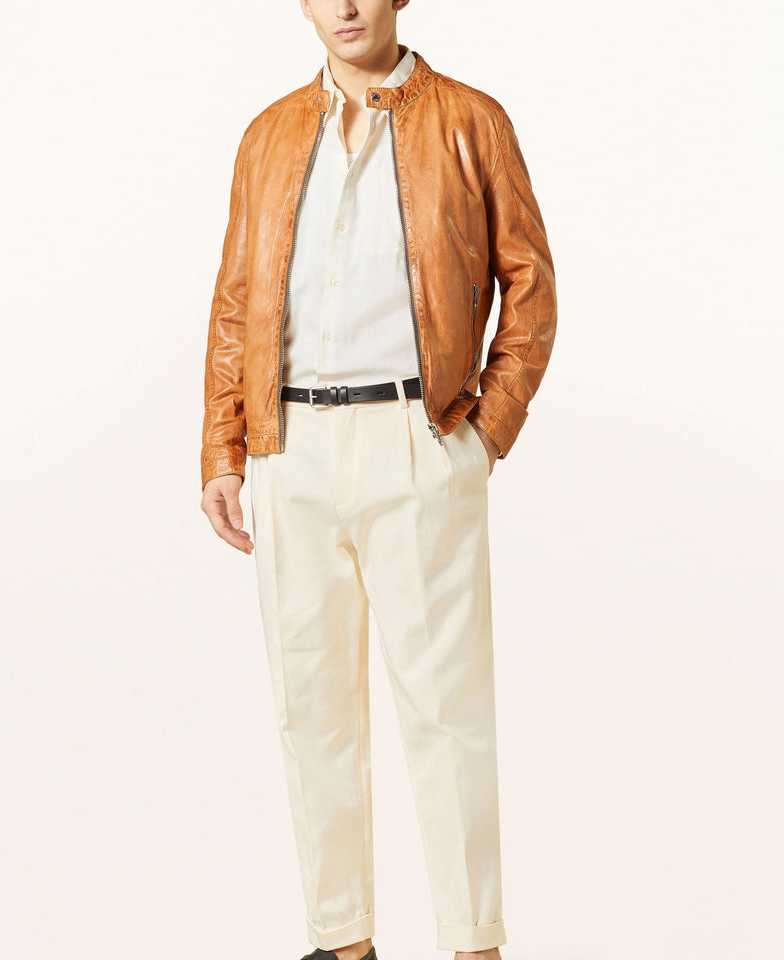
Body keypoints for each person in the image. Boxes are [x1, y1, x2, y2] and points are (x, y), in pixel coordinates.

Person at [199, 3, 557, 960]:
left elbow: (531, 286)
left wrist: (483, 435)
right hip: (290, 449)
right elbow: (235, 301)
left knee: (446, 711)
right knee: (310, 706)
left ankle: (472, 942)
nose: (347, 7)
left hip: (419, 441)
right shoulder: (269, 135)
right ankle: (341, 939)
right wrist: (223, 449)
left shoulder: (471, 121)